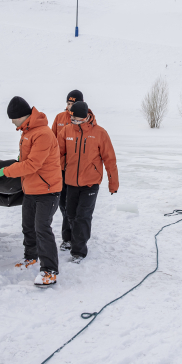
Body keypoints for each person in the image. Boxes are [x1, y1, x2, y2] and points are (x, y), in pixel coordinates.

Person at [0, 96, 63, 286]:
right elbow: (24, 160)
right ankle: (31, 257)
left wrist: (7, 171)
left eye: (13, 118)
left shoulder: (42, 134)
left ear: (21, 116)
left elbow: (32, 164)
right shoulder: (27, 132)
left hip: (48, 190)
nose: (12, 122)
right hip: (32, 189)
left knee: (42, 228)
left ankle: (49, 270)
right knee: (28, 226)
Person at [57, 101, 118, 263]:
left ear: (85, 117)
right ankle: (71, 240)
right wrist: (65, 166)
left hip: (90, 183)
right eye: (72, 118)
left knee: (83, 216)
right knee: (70, 214)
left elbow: (109, 160)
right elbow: (58, 154)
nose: (74, 121)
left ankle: (79, 251)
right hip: (71, 182)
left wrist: (113, 183)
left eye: (77, 118)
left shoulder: (99, 133)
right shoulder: (66, 131)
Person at [52, 89, 83, 251]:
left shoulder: (82, 119)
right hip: (60, 168)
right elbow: (51, 140)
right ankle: (69, 233)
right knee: (62, 204)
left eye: (73, 104)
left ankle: (70, 237)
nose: (70, 107)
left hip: (77, 169)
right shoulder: (59, 118)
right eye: (68, 103)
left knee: (73, 205)